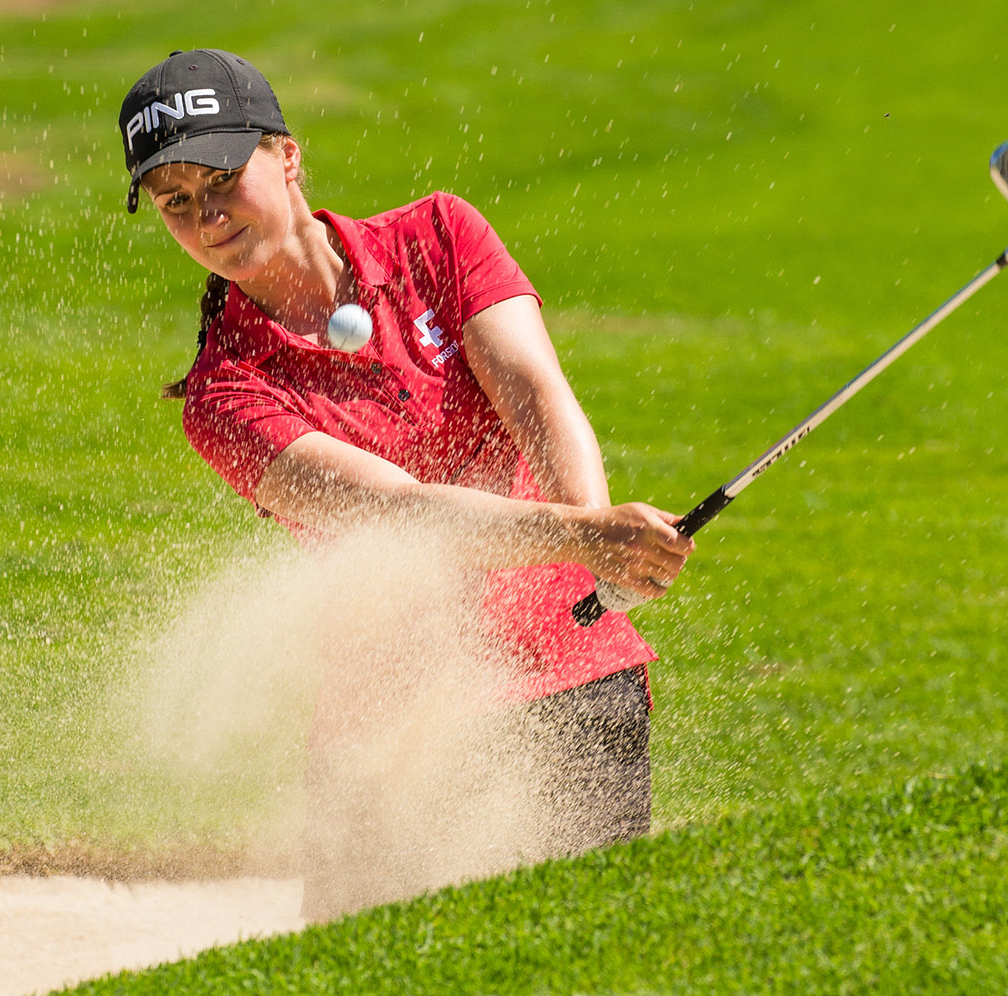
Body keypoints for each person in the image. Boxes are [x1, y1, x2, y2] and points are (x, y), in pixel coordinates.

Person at [117, 49, 693, 920]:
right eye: (177, 203)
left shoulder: (440, 234)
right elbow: (398, 514)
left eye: (223, 179)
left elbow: (535, 393)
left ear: (288, 156)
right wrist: (587, 538)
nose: (208, 216)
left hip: (573, 678)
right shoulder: (226, 395)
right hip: (389, 735)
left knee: (589, 955)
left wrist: (595, 536)